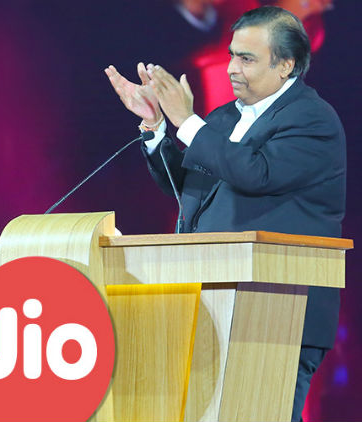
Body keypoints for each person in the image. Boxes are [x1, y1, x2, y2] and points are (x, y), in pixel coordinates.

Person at [104, 6, 345, 421]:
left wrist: (186, 120)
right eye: (232, 55)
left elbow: (255, 173)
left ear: (286, 64)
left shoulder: (312, 119)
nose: (232, 68)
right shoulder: (224, 118)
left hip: (276, 318)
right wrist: (157, 128)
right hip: (212, 313)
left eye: (246, 59)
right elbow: (191, 190)